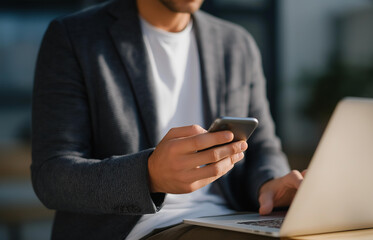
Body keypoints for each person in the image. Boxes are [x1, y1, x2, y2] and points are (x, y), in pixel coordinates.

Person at [31, 0, 304, 239]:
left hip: (232, 220)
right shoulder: (75, 38)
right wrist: (149, 176)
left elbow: (264, 148)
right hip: (136, 229)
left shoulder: (237, 44)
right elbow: (52, 176)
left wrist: (271, 185)